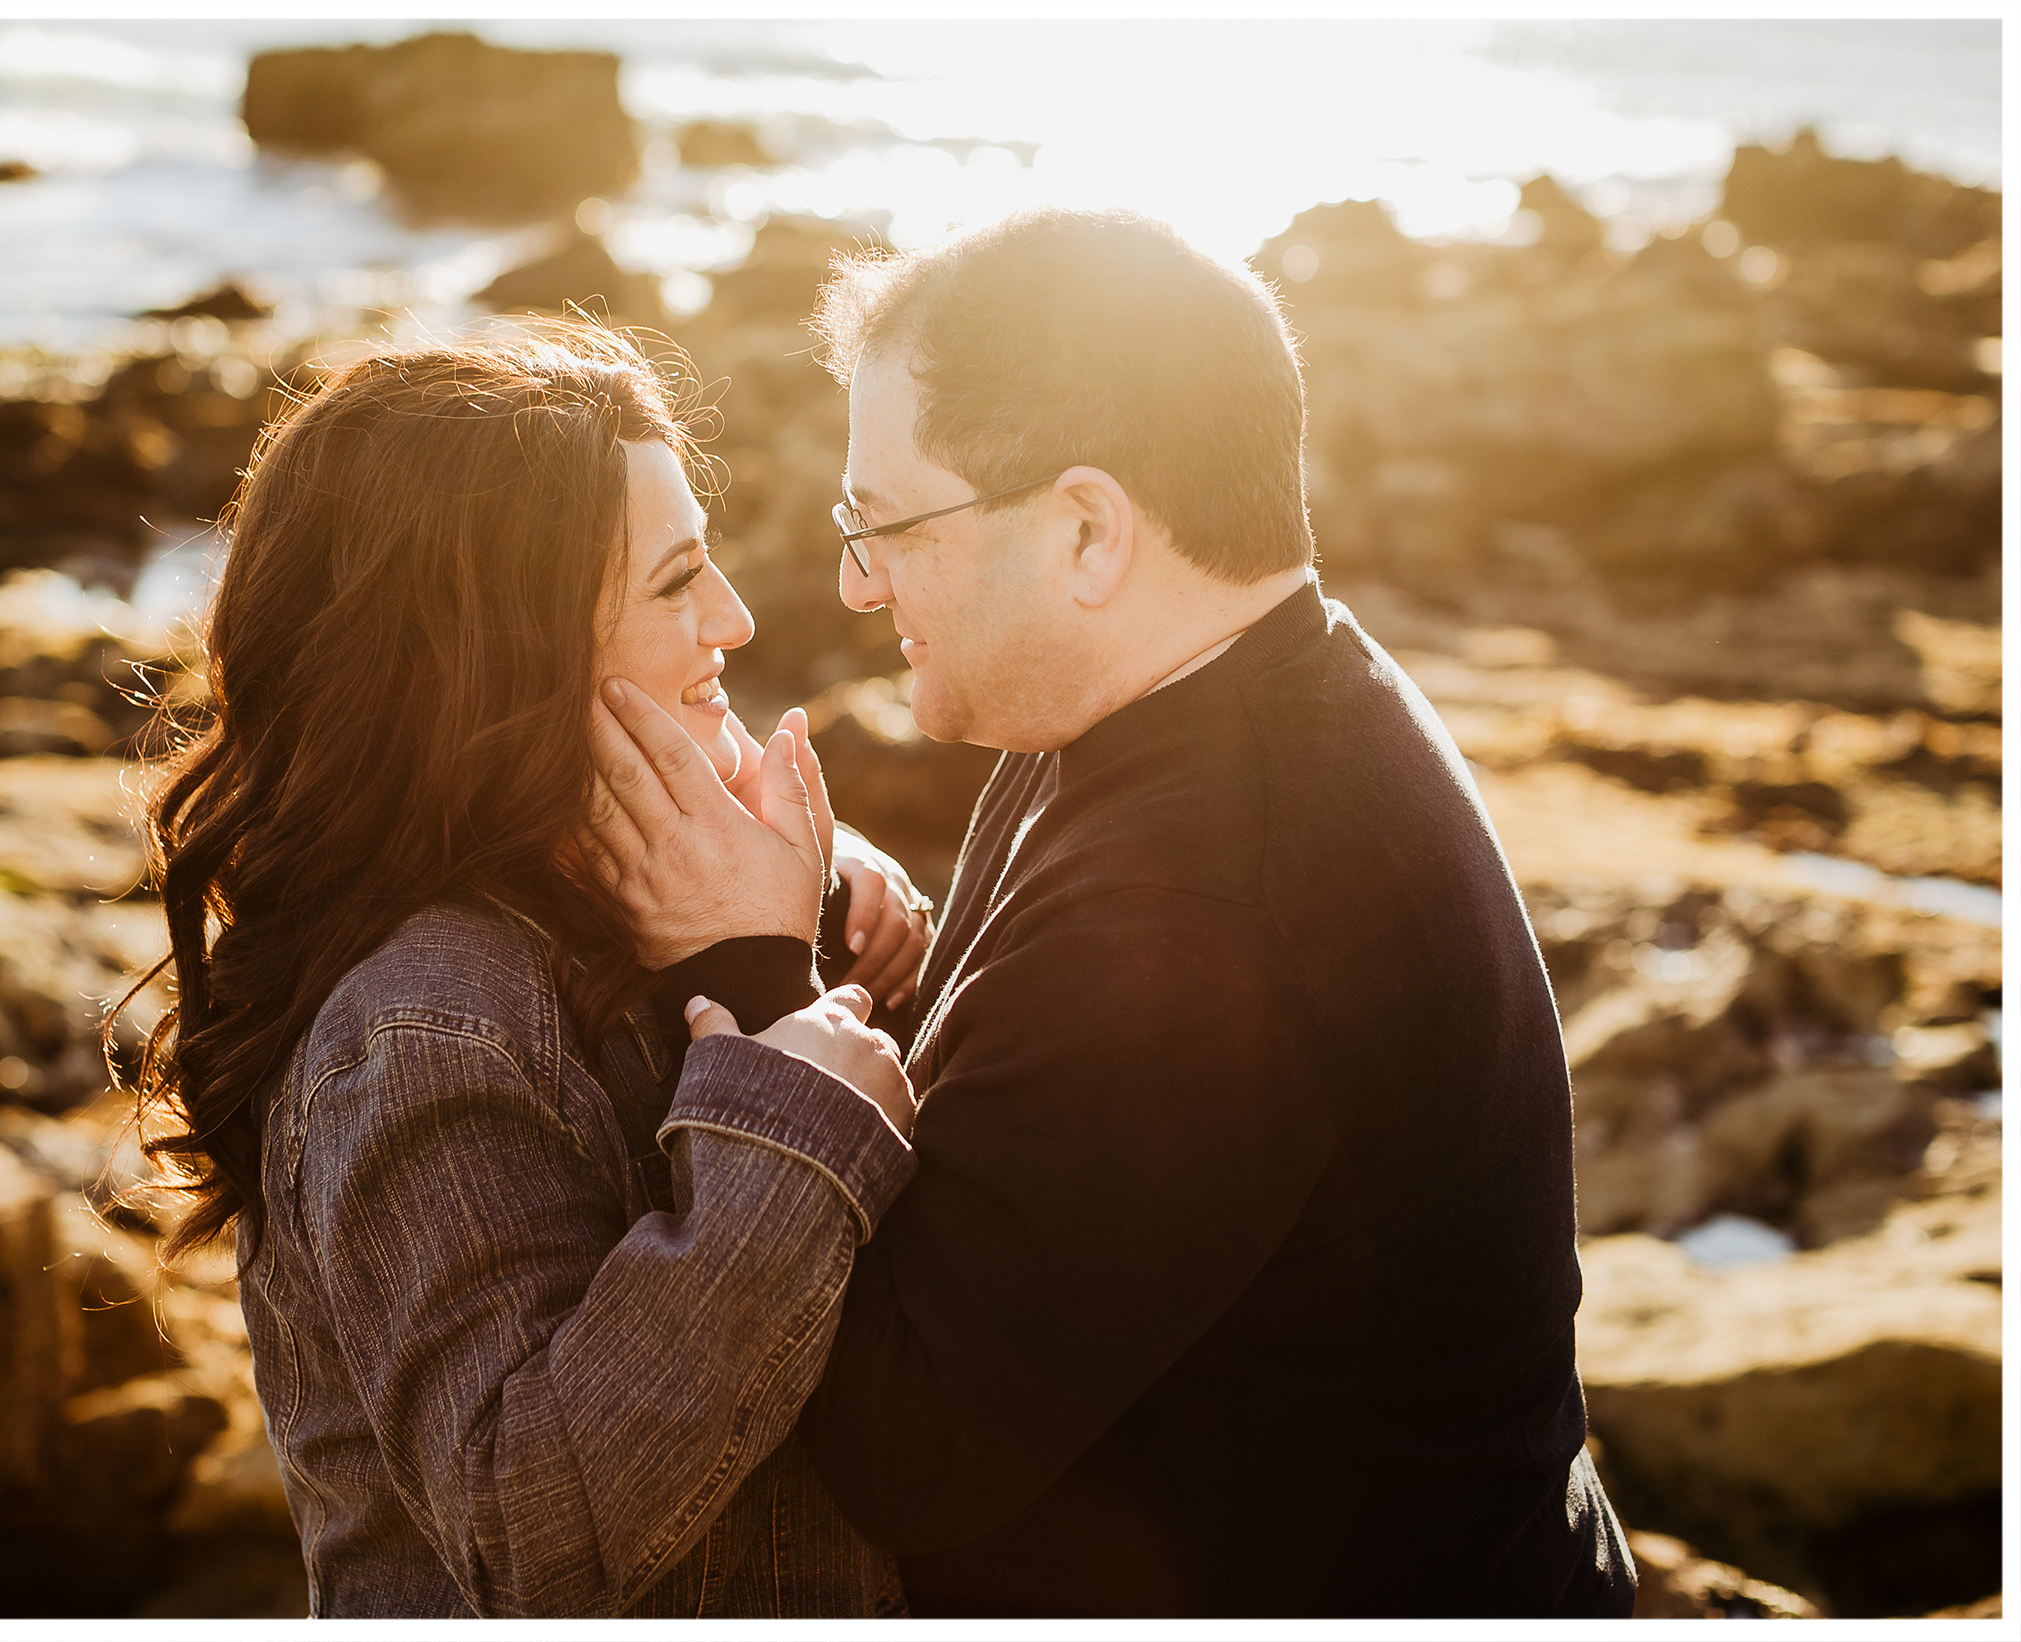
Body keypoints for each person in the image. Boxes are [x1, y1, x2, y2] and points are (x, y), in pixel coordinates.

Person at [593, 208, 1639, 1617]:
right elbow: (1060, 1151)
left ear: (1088, 530)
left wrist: (746, 970)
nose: (852, 579)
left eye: (884, 523)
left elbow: (899, 1450)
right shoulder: (1212, 702)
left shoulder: (1208, 901)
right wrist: (853, 970)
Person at [120, 322, 938, 1617]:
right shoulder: (426, 1022)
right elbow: (526, 1528)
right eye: (678, 584)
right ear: (497, 653)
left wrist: (810, 927)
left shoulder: (613, 909)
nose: (734, 615)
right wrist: (791, 1120)